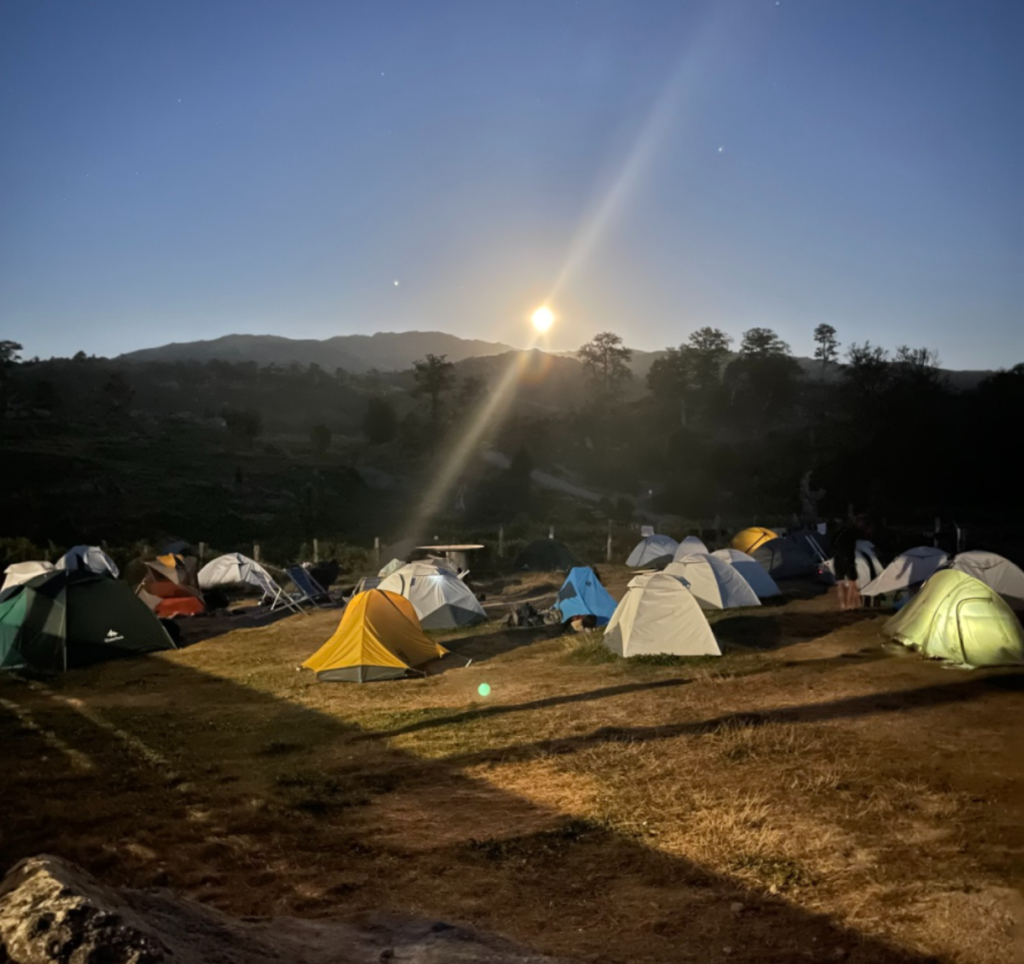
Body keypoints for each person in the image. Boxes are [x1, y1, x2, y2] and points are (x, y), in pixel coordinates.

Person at [832, 515, 865, 610]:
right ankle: (850, 605)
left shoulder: (838, 533)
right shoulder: (853, 532)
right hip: (848, 558)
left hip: (837, 558)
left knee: (840, 583)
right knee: (852, 582)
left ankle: (843, 605)